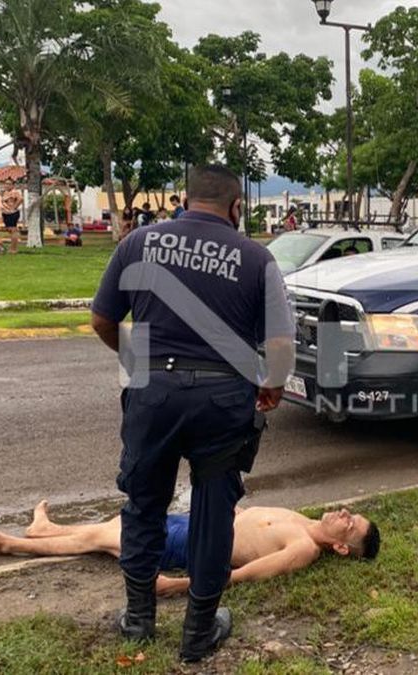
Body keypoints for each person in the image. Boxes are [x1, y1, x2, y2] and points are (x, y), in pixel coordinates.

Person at [90, 164, 296, 663]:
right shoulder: (257, 257)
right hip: (223, 399)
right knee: (213, 512)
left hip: (153, 394)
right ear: (236, 207)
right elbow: (280, 343)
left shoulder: (137, 242)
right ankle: (199, 631)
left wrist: (138, 360)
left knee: (144, 505)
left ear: (185, 201)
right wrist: (271, 385)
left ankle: (139, 619)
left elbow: (101, 319)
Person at [0, 500, 379, 594]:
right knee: (121, 525)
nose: (345, 513)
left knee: (105, 539)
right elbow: (251, 519)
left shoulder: (304, 547)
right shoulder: (303, 519)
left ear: (342, 548)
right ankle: (47, 529)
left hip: (195, 543)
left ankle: (9, 544)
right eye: (351, 512)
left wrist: (175, 586)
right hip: (200, 521)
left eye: (350, 523)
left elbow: (241, 575)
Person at [0, 179, 23, 255]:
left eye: (9, 184)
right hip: (5, 213)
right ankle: (12, 247)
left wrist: (14, 207)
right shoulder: (5, 192)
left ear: (12, 185)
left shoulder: (14, 192)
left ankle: (14, 249)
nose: (7, 185)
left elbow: (20, 199)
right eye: (6, 183)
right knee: (9, 230)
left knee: (13, 230)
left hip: (12, 213)